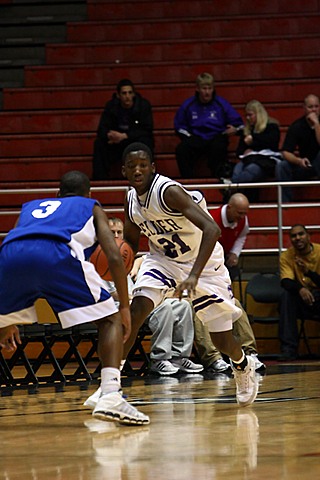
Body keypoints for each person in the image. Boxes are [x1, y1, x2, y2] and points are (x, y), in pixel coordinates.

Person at [0, 170, 149, 426]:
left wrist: (7, 318)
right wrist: (124, 305)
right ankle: (111, 395)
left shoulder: (31, 207)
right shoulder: (90, 205)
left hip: (9, 254)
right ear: (88, 194)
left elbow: (19, 247)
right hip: (56, 251)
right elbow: (113, 255)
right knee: (111, 320)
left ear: (58, 194)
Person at [174, 72, 244, 179]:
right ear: (197, 89)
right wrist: (189, 136)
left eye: (210, 88)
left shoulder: (221, 103)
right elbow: (179, 126)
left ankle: (218, 179)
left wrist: (234, 129)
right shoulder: (189, 104)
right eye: (204, 88)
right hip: (196, 137)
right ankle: (188, 180)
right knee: (182, 149)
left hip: (216, 136)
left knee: (219, 146)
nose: (207, 92)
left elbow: (239, 124)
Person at [92, 78, 154, 180]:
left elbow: (147, 129)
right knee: (99, 144)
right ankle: (100, 180)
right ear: (118, 95)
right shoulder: (111, 106)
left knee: (146, 142)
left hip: (135, 141)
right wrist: (110, 135)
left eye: (130, 93)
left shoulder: (143, 105)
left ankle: (147, 177)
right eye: (124, 93)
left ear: (134, 94)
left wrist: (125, 136)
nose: (127, 96)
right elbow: (101, 129)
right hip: (116, 144)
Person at [279, 224, 320, 360]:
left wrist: (308, 272)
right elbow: (286, 281)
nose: (297, 238)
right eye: (293, 236)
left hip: (318, 296)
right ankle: (289, 349)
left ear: (308, 236)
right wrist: (300, 289)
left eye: (301, 234)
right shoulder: (287, 256)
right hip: (302, 299)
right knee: (286, 297)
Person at [193, 299, 266, 373]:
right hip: (186, 296)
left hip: (208, 292)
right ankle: (213, 358)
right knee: (200, 305)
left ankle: (249, 354)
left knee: (234, 302)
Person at [231, 99, 282, 201]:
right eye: (246, 116)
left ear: (258, 114)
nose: (248, 118)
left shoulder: (272, 127)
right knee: (237, 170)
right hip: (248, 159)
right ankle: (235, 194)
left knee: (251, 169)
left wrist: (253, 141)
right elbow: (240, 151)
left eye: (250, 115)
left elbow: (272, 143)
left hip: (265, 162)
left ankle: (233, 194)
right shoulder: (247, 130)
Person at [276, 94, 320, 202]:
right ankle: (285, 204)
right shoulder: (297, 126)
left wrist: (317, 124)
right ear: (304, 108)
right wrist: (298, 161)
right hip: (306, 165)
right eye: (310, 107)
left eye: (316, 106)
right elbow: (286, 152)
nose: (314, 110)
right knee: (282, 166)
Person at [210, 192, 249, 282]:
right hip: (210, 259)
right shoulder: (212, 219)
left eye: (244, 213)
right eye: (239, 213)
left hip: (225, 257)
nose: (242, 217)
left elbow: (242, 236)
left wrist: (235, 253)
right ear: (229, 208)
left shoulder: (243, 220)